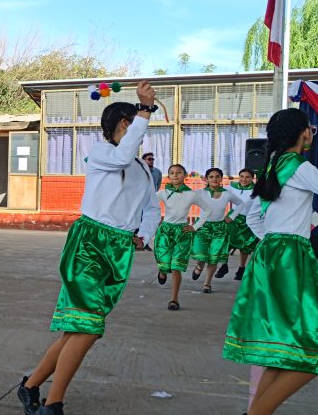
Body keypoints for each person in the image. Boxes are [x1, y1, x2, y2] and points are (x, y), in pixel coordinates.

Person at [17, 82, 160, 415]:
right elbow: (124, 152)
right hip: (90, 245)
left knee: (79, 329)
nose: (134, 127)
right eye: (128, 122)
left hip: (119, 249)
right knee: (88, 328)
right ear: (113, 127)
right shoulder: (102, 153)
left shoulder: (141, 170)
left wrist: (144, 235)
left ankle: (30, 386)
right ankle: (53, 404)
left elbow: (152, 208)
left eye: (134, 122)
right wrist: (145, 110)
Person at [224, 110, 318, 415]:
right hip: (288, 258)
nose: (312, 133)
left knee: (282, 350)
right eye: (310, 128)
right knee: (314, 353)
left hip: (271, 255)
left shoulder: (274, 165)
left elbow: (252, 216)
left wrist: (273, 240)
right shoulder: (296, 165)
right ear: (303, 134)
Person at [154, 164, 205, 311]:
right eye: (171, 173)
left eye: (179, 172)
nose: (175, 175)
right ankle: (162, 271)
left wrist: (194, 226)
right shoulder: (163, 193)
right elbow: (148, 204)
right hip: (165, 232)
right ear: (168, 176)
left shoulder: (192, 194)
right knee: (165, 264)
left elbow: (207, 210)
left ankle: (174, 299)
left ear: (185, 175)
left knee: (177, 267)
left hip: (182, 232)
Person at [190, 168, 244, 294]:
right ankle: (199, 266)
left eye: (217, 176)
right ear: (206, 179)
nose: (215, 179)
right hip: (202, 227)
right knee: (200, 254)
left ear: (221, 178)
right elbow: (185, 202)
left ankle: (207, 283)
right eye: (212, 176)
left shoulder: (227, 193)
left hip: (219, 229)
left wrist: (231, 216)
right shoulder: (200, 193)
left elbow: (241, 204)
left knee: (214, 258)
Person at [224, 168, 259, 280]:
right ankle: (224, 265)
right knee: (225, 242)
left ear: (252, 178)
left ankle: (241, 268)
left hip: (247, 221)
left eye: (247, 177)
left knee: (244, 246)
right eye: (242, 176)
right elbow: (219, 193)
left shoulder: (257, 190)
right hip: (233, 219)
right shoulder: (232, 187)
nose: (244, 179)